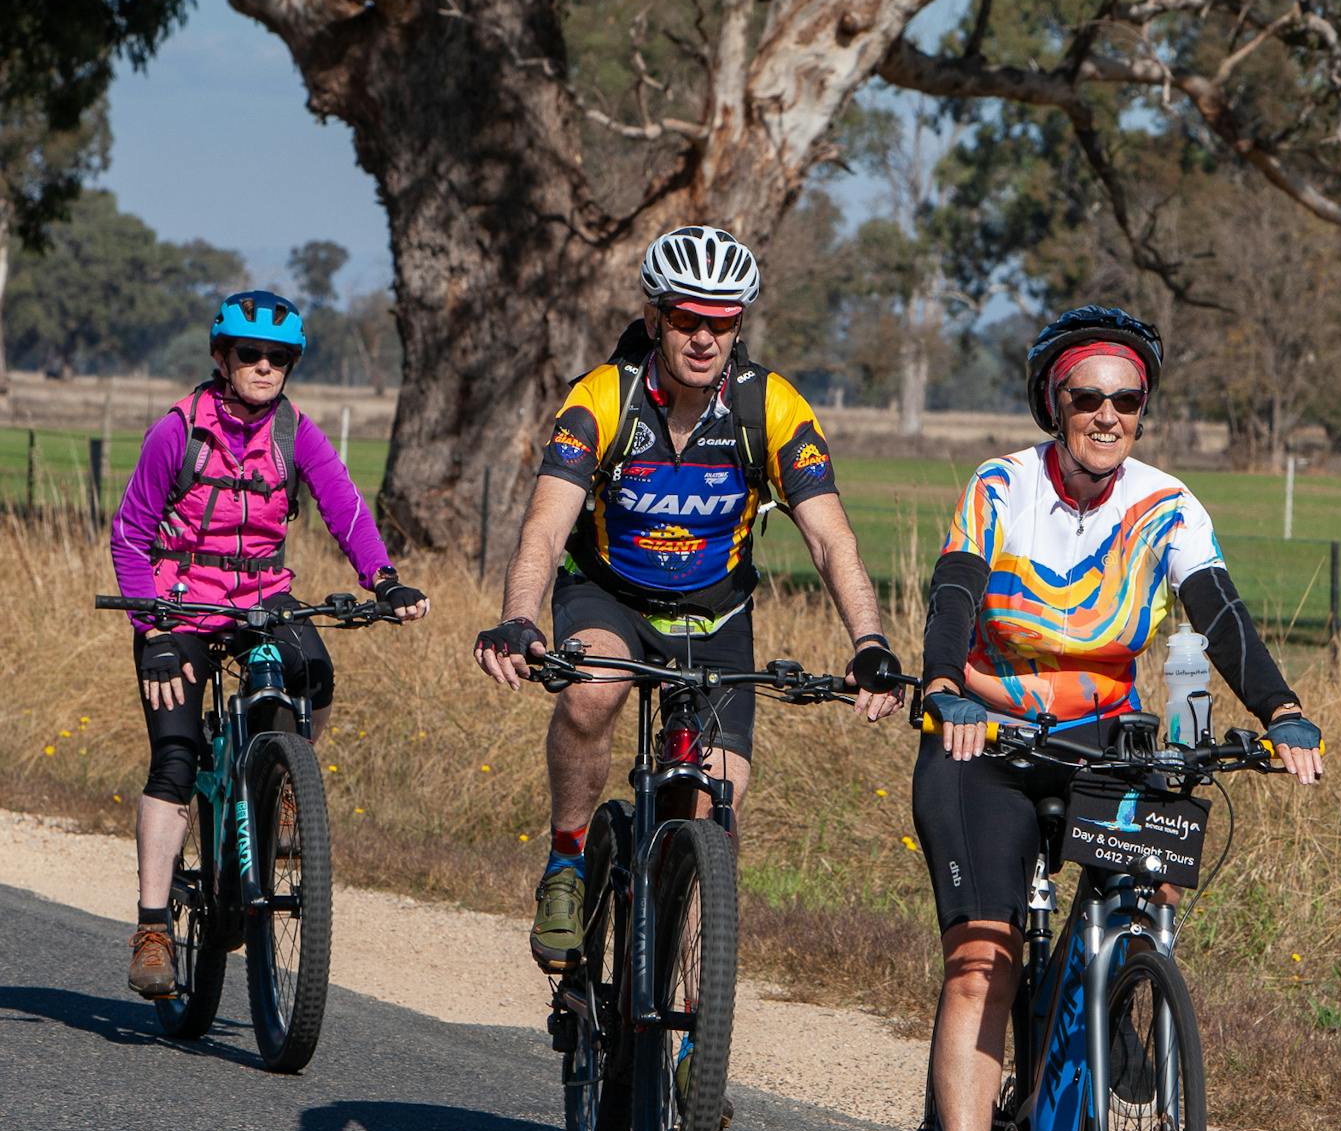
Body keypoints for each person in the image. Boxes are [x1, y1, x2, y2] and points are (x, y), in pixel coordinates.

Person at [915, 304, 1326, 1131]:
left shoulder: (1166, 502)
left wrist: (1281, 708)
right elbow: (955, 589)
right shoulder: (1001, 485)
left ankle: (1119, 985)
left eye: (1126, 399)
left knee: (1161, 855)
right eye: (1087, 396)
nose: (1107, 414)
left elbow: (1215, 609)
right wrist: (941, 685)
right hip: (988, 736)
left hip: (1102, 735)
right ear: (1053, 403)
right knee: (984, 953)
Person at [473, 225, 904, 971]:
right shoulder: (601, 399)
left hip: (716, 613)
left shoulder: (771, 407)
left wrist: (869, 641)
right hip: (611, 595)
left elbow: (832, 541)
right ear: (654, 321)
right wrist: (519, 617)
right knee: (592, 692)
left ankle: (691, 1049)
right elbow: (544, 529)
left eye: (723, 321)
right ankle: (569, 863)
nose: (704, 338)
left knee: (718, 801)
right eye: (686, 319)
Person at [110, 290, 431, 999]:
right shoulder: (178, 432)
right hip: (179, 604)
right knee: (175, 753)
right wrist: (154, 630)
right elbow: (130, 534)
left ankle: (283, 792)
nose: (263, 366)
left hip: (261, 594)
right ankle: (155, 927)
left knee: (312, 669)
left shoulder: (294, 433)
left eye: (278, 357)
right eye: (248, 354)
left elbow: (344, 505)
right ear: (221, 358)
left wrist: (385, 580)